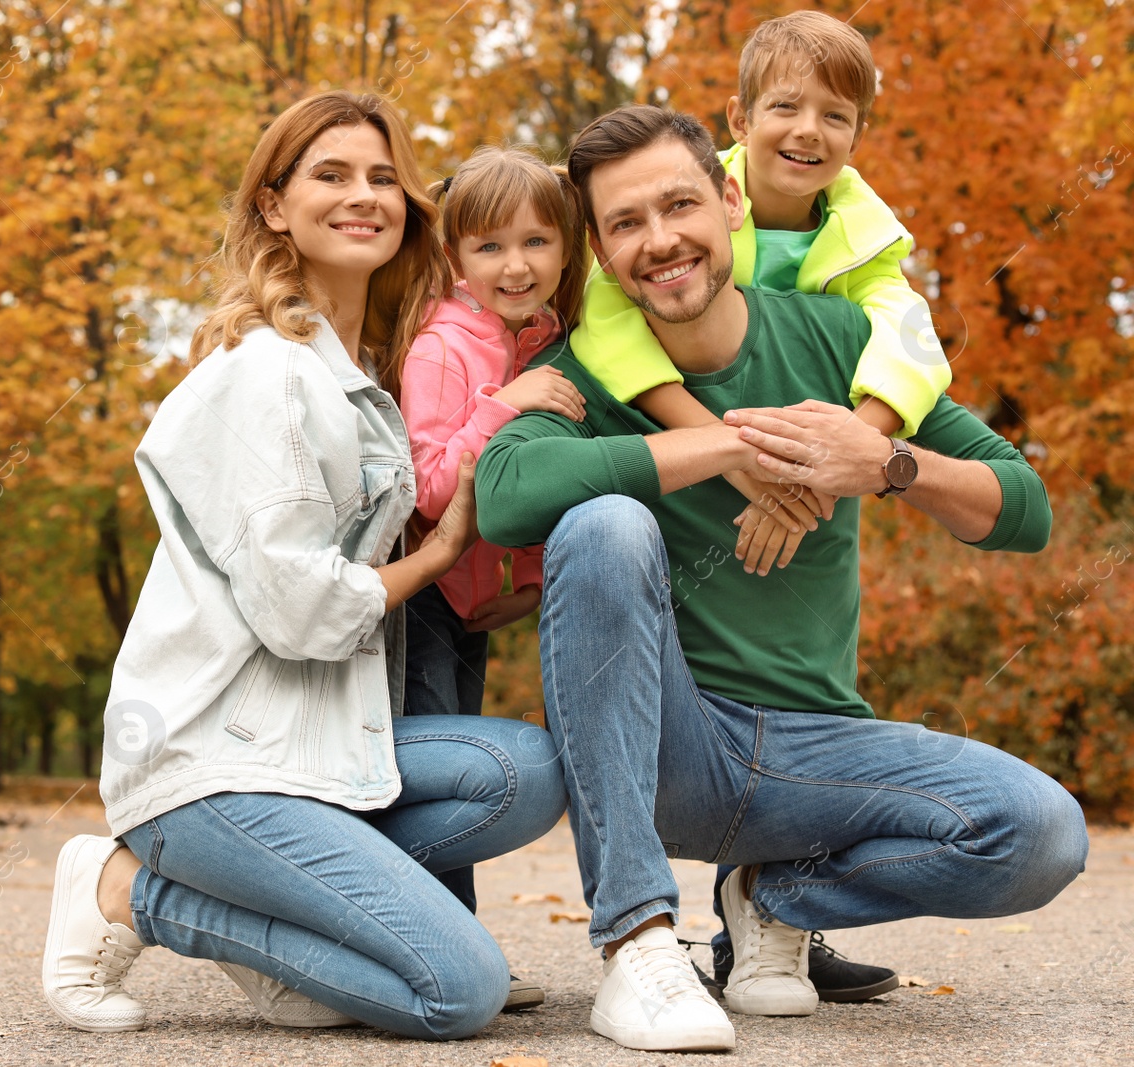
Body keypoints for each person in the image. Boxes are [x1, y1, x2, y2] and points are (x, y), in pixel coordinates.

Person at [476, 104, 1087, 1053]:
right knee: (603, 524)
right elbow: (507, 496)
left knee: (1041, 831)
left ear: (728, 199)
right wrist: (724, 444)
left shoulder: (843, 341)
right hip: (667, 743)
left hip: (818, 753)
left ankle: (773, 893)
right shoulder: (587, 373)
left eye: (680, 205)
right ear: (597, 251)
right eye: (625, 224)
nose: (660, 240)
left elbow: (1023, 507)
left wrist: (881, 463)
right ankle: (637, 939)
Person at [40, 91, 569, 1041]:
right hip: (213, 763)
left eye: (380, 177)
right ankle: (125, 889)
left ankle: (296, 921)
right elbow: (304, 612)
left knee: (527, 771)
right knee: (460, 989)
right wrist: (445, 549)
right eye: (331, 175)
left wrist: (491, 575)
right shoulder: (268, 371)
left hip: (319, 747)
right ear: (275, 206)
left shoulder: (364, 362)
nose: (363, 195)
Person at [570, 10, 948, 1005]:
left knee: (801, 675)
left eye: (837, 114)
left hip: (807, 518)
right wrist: (734, 456)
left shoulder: (859, 235)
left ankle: (773, 902)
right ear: (737, 119)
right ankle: (669, 923)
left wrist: (841, 460)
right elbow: (610, 324)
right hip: (711, 504)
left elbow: (907, 340)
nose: (809, 131)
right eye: (784, 106)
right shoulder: (683, 204)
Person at [395, 145, 589, 1012]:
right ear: (454, 258)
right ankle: (434, 945)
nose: (517, 265)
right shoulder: (444, 348)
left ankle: (451, 942)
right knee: (443, 764)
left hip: (483, 600)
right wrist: (502, 405)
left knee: (459, 752)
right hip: (430, 599)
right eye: (490, 247)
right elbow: (432, 487)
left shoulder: (549, 336)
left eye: (537, 242)